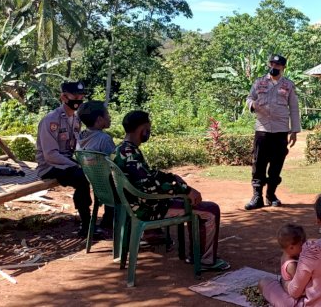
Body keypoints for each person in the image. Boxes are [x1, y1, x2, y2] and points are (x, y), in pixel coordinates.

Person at [112, 111, 229, 271]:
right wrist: (185, 190)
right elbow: (149, 186)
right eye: (148, 128)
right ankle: (205, 260)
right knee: (210, 210)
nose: (149, 132)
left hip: (135, 204)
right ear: (142, 130)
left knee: (192, 204)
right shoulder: (131, 153)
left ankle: (197, 254)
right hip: (149, 208)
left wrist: (170, 177)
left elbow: (146, 175)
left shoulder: (122, 149)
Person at [244, 54, 301, 210]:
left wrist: (294, 131)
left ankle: (271, 194)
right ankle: (257, 197)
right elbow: (249, 98)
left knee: (276, 164)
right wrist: (253, 104)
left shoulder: (288, 85)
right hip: (262, 129)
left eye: (277, 65)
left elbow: (294, 108)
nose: (273, 67)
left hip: (281, 130)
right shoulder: (259, 82)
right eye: (271, 64)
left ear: (283, 67)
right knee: (259, 163)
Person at [36, 82, 92, 236]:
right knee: (81, 177)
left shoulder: (75, 119)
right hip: (49, 166)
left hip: (66, 163)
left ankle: (102, 219)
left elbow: (75, 147)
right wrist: (76, 165)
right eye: (75, 96)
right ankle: (86, 225)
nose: (78, 100)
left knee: (92, 171)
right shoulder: (51, 120)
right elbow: (50, 155)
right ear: (63, 97)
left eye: (81, 97)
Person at [76, 100, 116, 230]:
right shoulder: (104, 139)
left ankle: (109, 219)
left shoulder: (81, 137)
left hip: (98, 186)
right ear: (99, 119)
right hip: (113, 189)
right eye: (107, 114)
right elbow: (116, 164)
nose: (109, 117)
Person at [277, 224, 307, 291]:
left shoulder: (285, 255)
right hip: (293, 295)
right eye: (301, 244)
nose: (304, 246)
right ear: (291, 247)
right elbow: (299, 287)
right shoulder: (292, 265)